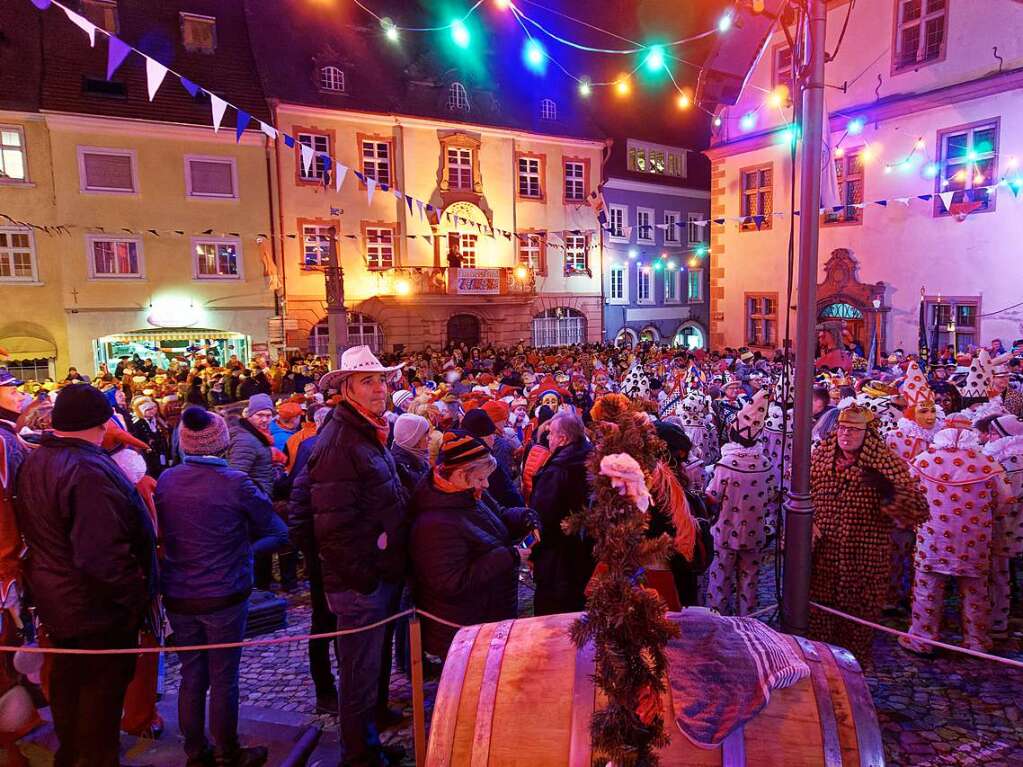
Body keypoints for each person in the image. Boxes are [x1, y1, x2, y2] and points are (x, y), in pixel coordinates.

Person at [15, 384, 157, 767]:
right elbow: (102, 555)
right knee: (98, 702)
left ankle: (74, 756)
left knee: (71, 691)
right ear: (102, 422)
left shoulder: (39, 460)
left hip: (62, 601)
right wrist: (135, 602)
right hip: (95, 609)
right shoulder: (86, 468)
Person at [289, 346, 409, 766]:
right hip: (361, 585)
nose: (380, 388)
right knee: (357, 676)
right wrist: (366, 575)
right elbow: (331, 525)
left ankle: (367, 741)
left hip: (374, 576)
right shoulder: (342, 441)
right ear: (346, 390)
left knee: (367, 669)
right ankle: (359, 756)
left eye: (382, 380)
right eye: (368, 381)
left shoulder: (367, 431)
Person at [156, 407, 287, 767]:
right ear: (223, 444)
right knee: (223, 677)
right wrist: (243, 550)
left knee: (191, 675)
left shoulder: (168, 480)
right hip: (225, 594)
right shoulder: (235, 483)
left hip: (181, 594)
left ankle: (196, 753)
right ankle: (228, 752)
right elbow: (278, 532)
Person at [808, 405, 928, 659]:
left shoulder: (887, 463)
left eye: (853, 429)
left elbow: (917, 512)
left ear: (867, 433)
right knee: (817, 633)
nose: (845, 434)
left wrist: (889, 491)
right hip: (822, 561)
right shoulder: (819, 457)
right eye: (842, 428)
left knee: (855, 634)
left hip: (865, 563)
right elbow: (801, 499)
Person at [408, 433, 536, 655]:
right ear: (459, 474)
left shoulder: (469, 493)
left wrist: (524, 517)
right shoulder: (434, 523)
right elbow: (452, 582)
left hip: (486, 619)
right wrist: (510, 556)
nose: (486, 484)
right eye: (480, 478)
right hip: (463, 629)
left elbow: (498, 516)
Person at [900, 416, 1012, 654]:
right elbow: (1005, 499)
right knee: (975, 592)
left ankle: (922, 639)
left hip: (933, 537)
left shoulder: (924, 460)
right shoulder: (987, 463)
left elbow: (906, 495)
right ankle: (976, 642)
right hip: (974, 539)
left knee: (927, 590)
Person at [704, 391, 777, 616]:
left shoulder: (726, 464)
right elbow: (772, 494)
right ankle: (748, 622)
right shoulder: (765, 463)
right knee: (749, 584)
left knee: (720, 582)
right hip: (754, 533)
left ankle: (717, 625)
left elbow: (712, 496)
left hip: (726, 532)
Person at [529, 410, 595, 615]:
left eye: (551, 434)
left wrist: (536, 551)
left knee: (555, 616)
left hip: (559, 559)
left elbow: (543, 518)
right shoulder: (592, 458)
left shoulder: (557, 470)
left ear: (563, 439)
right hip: (586, 552)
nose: (547, 437)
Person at [460, 408, 524, 508]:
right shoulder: (488, 463)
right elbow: (509, 495)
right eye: (492, 434)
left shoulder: (457, 456)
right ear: (484, 437)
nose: (494, 439)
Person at [390, 413, 432, 494]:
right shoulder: (401, 468)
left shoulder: (418, 457)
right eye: (425, 435)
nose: (430, 438)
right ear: (414, 440)